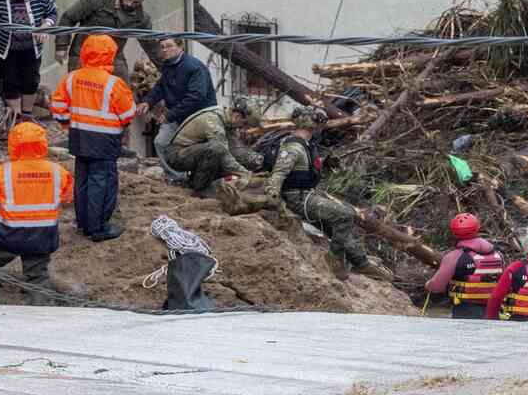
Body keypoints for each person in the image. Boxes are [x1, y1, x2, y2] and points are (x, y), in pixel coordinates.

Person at [263, 106, 393, 282]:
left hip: (307, 194)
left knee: (340, 220)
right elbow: (279, 173)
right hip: (297, 198)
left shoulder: (305, 144)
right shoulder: (293, 146)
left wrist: (324, 163)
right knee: (344, 215)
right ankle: (335, 261)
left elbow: (302, 168)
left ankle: (360, 261)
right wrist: (274, 200)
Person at [49, 34, 138, 242]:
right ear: (110, 55)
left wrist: (66, 123)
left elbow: (59, 107)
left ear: (85, 53)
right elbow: (127, 114)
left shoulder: (72, 77)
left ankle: (83, 224)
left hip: (79, 136)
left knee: (82, 179)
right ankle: (98, 228)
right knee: (102, 182)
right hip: (105, 140)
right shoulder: (113, 83)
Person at [0, 121, 74, 306]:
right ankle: (41, 316)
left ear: (13, 144)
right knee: (37, 276)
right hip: (43, 235)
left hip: (10, 234)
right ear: (42, 143)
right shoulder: (57, 172)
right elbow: (68, 198)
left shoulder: (3, 172)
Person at [54, 0, 158, 82]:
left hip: (114, 57)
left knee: (123, 89)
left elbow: (151, 46)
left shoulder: (141, 19)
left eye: (135, 3)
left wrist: (168, 68)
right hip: (83, 54)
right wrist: (61, 46)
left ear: (142, 1)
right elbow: (68, 18)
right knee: (82, 90)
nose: (130, 4)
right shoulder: (96, 2)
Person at [141, 37, 218, 171]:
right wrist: (148, 101)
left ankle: (196, 178)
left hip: (198, 117)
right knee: (161, 142)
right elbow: (161, 86)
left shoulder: (194, 67)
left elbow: (196, 96)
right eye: (163, 47)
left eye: (169, 46)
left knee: (194, 149)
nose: (165, 50)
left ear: (180, 46)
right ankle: (176, 177)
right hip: (177, 116)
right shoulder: (168, 65)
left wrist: (170, 115)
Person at [163, 95, 250, 194]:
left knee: (221, 155)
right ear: (237, 116)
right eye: (244, 124)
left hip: (191, 151)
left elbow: (236, 150)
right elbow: (223, 153)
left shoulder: (228, 120)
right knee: (217, 150)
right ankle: (200, 189)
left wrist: (255, 162)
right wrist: (244, 173)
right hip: (176, 155)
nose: (243, 128)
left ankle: (193, 183)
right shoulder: (213, 119)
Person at [425, 213, 505, 319]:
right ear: (477, 228)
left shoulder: (453, 256)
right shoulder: (498, 254)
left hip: (465, 310)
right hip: (494, 311)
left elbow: (436, 287)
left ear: (454, 232)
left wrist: (428, 285)